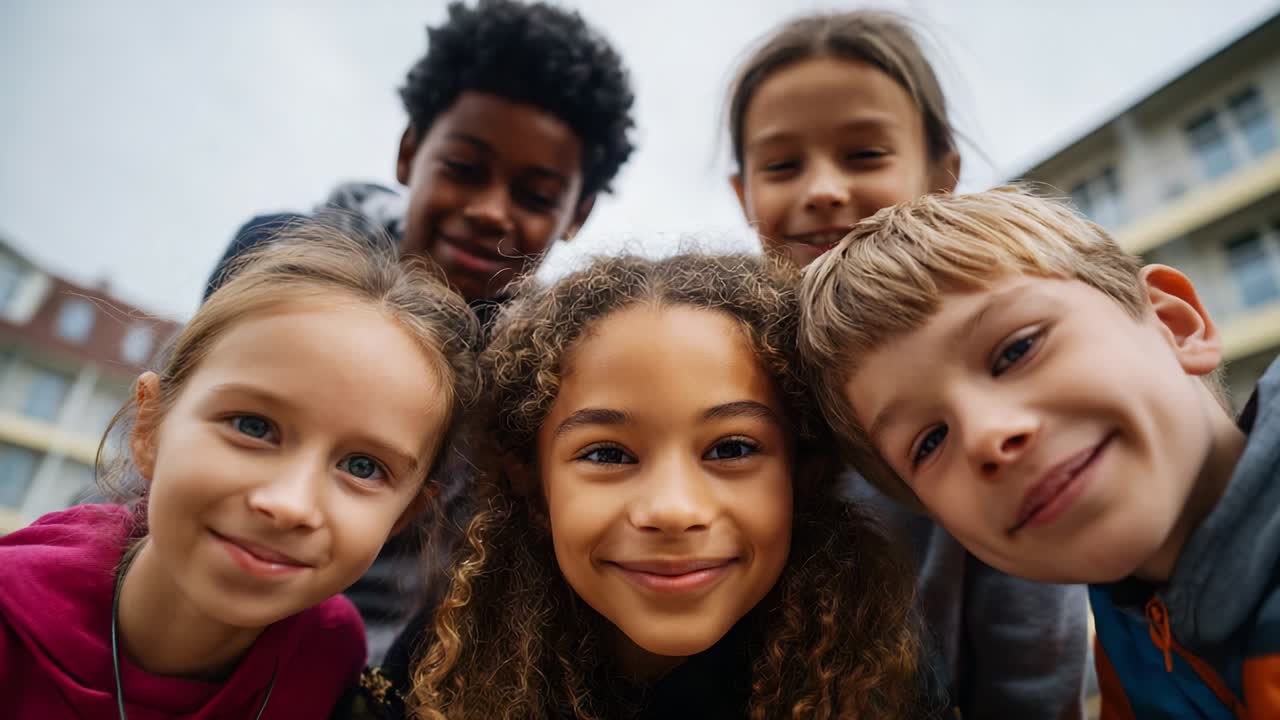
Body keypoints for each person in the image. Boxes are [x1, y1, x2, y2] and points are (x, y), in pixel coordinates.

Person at [206, 0, 637, 656]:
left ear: (576, 214)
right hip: (202, 609)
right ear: (410, 152)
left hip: (374, 667)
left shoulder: (547, 367)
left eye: (535, 196)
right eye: (464, 170)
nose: (491, 211)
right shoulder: (275, 264)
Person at [347, 253, 938, 718]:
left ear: (802, 476)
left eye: (732, 448)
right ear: (531, 484)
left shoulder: (883, 677)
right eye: (607, 454)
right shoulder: (442, 667)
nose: (673, 510)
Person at [724, 11, 1088, 718]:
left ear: (942, 175)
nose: (823, 189)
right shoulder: (721, 375)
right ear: (744, 196)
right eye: (781, 165)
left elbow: (1033, 665)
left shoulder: (988, 394)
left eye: (864, 155)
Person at [798, 185, 1280, 718]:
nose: (985, 437)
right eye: (930, 442)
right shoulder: (1130, 631)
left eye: (1017, 349)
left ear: (1174, 325)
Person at [0, 225, 480, 718]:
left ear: (402, 518)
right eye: (253, 427)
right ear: (149, 428)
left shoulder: (332, 660)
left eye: (363, 467)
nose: (289, 504)